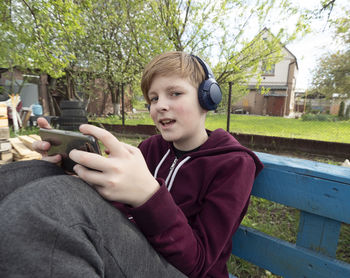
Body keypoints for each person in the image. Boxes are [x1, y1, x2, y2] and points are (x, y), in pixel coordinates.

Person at [0, 51, 263, 278]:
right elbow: (115, 209)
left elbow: (199, 263)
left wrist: (148, 196)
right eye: (154, 98)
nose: (160, 105)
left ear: (208, 98)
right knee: (32, 174)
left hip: (181, 270)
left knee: (42, 208)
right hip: (135, 250)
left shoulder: (234, 165)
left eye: (175, 93)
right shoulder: (151, 148)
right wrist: (75, 166)